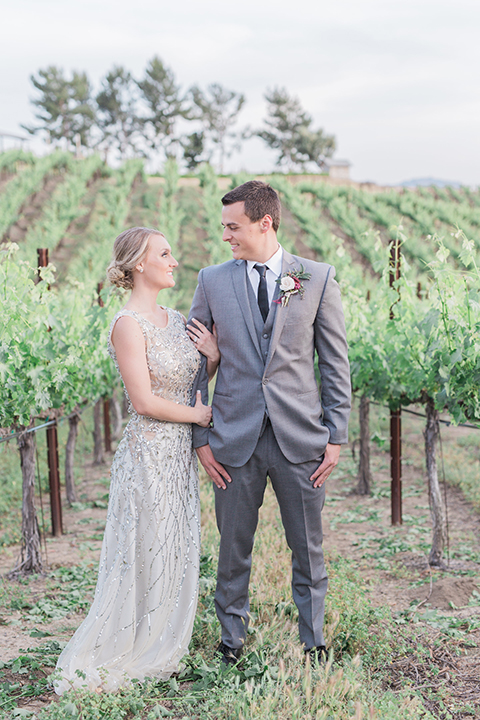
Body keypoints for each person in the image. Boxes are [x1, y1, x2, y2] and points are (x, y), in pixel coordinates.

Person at [187, 181, 351, 665]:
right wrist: (201, 438)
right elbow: (196, 365)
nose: (226, 237)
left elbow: (334, 363)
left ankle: (314, 641)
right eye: (224, 227)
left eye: (233, 227)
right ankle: (230, 642)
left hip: (300, 439)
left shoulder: (316, 277)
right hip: (232, 440)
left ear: (266, 223)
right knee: (232, 549)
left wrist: (336, 436)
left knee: (309, 549)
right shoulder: (211, 280)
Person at [54, 227, 218, 694]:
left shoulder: (178, 317)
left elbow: (186, 378)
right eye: (164, 253)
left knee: (174, 542)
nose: (174, 260)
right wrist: (201, 416)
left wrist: (213, 357)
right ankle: (134, 641)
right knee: (145, 544)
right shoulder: (127, 324)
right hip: (148, 452)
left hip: (177, 454)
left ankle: (165, 634)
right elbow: (144, 401)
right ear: (140, 264)